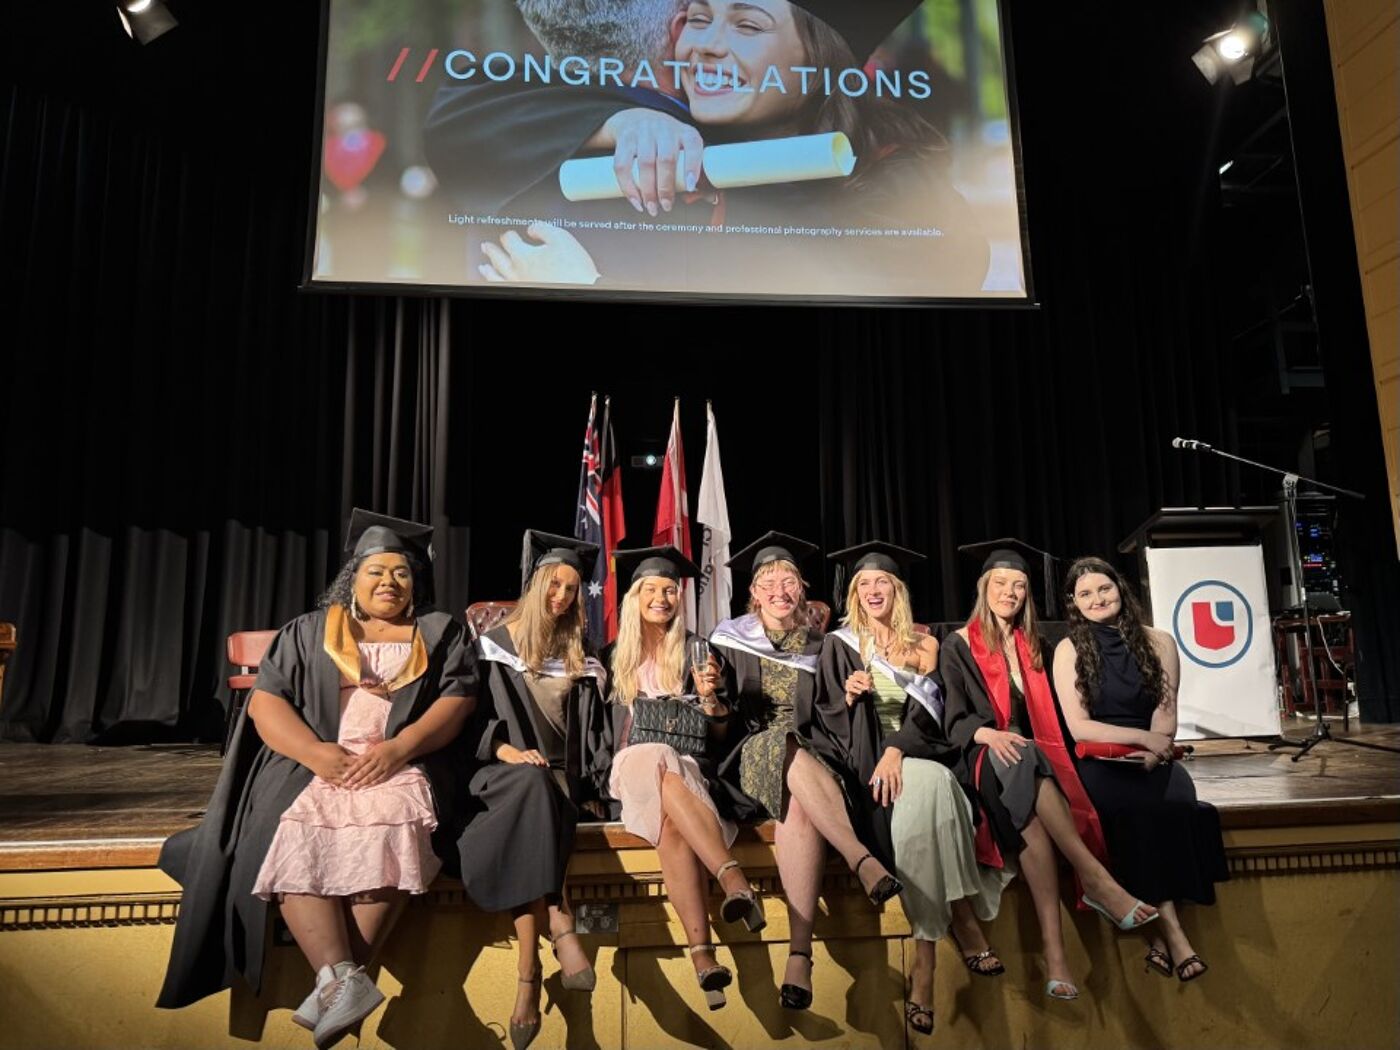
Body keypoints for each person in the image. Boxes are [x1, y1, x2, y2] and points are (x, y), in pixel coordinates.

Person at [156, 511, 477, 1049]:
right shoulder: (310, 630)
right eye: (376, 571)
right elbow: (266, 702)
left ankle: (333, 980)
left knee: (392, 821)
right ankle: (344, 980)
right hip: (318, 761)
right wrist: (315, 753)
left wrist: (400, 748)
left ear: (415, 582)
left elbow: (458, 700)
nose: (389, 583)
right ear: (354, 576)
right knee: (293, 828)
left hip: (402, 761)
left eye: (401, 573)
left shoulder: (438, 631)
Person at [460, 1, 991, 296]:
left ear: (819, 58)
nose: (708, 44)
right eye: (698, 17)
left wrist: (588, 286)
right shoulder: (663, 147)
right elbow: (469, 103)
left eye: (747, 24)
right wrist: (624, 121)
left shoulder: (894, 186)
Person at [941, 546, 1158, 1000]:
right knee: (1025, 757)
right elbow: (954, 718)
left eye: (1019, 585)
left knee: (1035, 811)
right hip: (985, 758)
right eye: (1000, 584)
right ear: (984, 588)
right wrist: (987, 735)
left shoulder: (1039, 646)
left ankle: (1056, 958)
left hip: (1035, 759)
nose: (1010, 592)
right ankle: (1095, 878)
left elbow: (1063, 716)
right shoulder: (959, 645)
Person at [819, 541, 1008, 1036]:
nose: (873, 589)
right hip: (868, 771)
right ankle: (964, 918)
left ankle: (924, 956)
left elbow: (937, 716)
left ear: (896, 589)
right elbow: (826, 721)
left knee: (934, 788)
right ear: (855, 595)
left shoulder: (927, 645)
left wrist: (897, 748)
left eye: (882, 581)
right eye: (864, 584)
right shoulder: (840, 646)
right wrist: (847, 697)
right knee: (929, 804)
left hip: (920, 754)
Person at [708, 531, 902, 1011]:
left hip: (814, 768)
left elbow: (835, 718)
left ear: (802, 589)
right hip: (748, 761)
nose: (779, 590)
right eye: (768, 582)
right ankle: (861, 859)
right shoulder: (728, 640)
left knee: (797, 807)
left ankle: (799, 956)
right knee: (781, 743)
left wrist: (853, 695)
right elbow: (721, 722)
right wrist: (710, 697)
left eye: (788, 581)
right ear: (753, 593)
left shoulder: (825, 646)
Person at [459, 530, 611, 1049]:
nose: (562, 597)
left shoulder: (579, 655)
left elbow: (590, 738)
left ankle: (530, 977)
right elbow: (466, 719)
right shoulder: (491, 647)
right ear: (536, 583)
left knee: (542, 794)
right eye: (554, 585)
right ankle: (559, 926)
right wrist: (505, 751)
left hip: (558, 781)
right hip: (497, 773)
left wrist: (593, 781)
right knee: (531, 791)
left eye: (571, 589)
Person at [601, 545, 762, 1011]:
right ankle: (732, 879)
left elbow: (718, 733)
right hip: (630, 767)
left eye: (670, 589)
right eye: (651, 589)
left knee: (672, 809)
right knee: (656, 754)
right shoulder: (611, 658)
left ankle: (703, 958)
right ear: (634, 596)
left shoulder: (698, 651)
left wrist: (711, 699)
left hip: (686, 769)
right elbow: (597, 736)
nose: (662, 596)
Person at [1053, 556, 1228, 983]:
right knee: (1134, 811)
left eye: (1104, 589)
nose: (1097, 599)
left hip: (1155, 756)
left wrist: (1156, 750)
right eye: (1086, 594)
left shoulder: (1160, 642)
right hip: (1100, 759)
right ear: (1074, 605)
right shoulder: (1069, 648)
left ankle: (1155, 936)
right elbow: (1079, 724)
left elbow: (1166, 714)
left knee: (1175, 804)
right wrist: (1143, 741)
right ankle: (1173, 934)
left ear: (1121, 590)